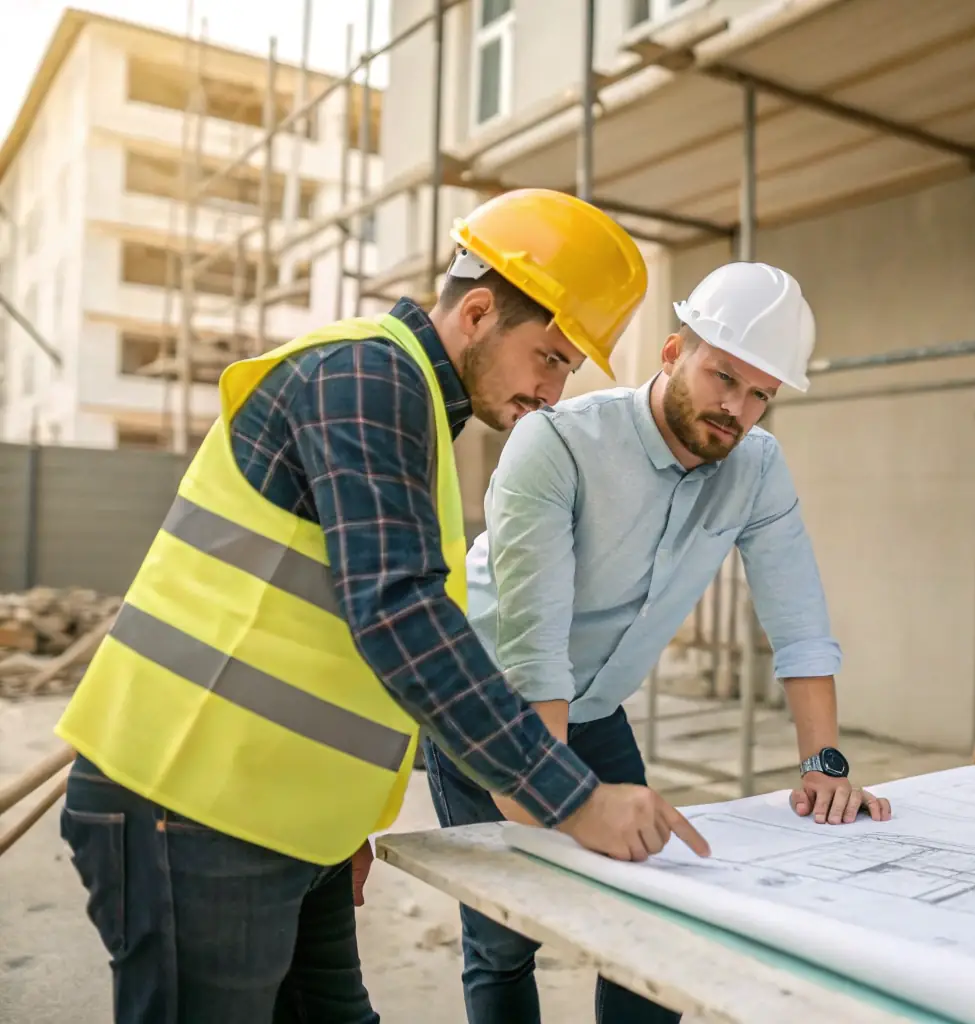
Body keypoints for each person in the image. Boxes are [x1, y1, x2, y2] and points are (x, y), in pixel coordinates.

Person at [52, 188, 709, 1024]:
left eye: (568, 369)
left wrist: (342, 828)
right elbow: (397, 615)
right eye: (549, 356)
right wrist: (572, 796)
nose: (553, 390)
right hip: (189, 809)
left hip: (281, 821)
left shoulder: (409, 409)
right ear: (477, 312)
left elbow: (334, 639)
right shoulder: (363, 375)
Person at [423, 260, 893, 1024]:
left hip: (596, 703)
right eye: (723, 376)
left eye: (760, 395)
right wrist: (558, 802)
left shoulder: (756, 467)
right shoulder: (557, 445)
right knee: (507, 931)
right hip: (490, 704)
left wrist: (823, 765)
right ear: (674, 351)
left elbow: (799, 621)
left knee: (651, 913)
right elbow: (535, 648)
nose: (736, 409)